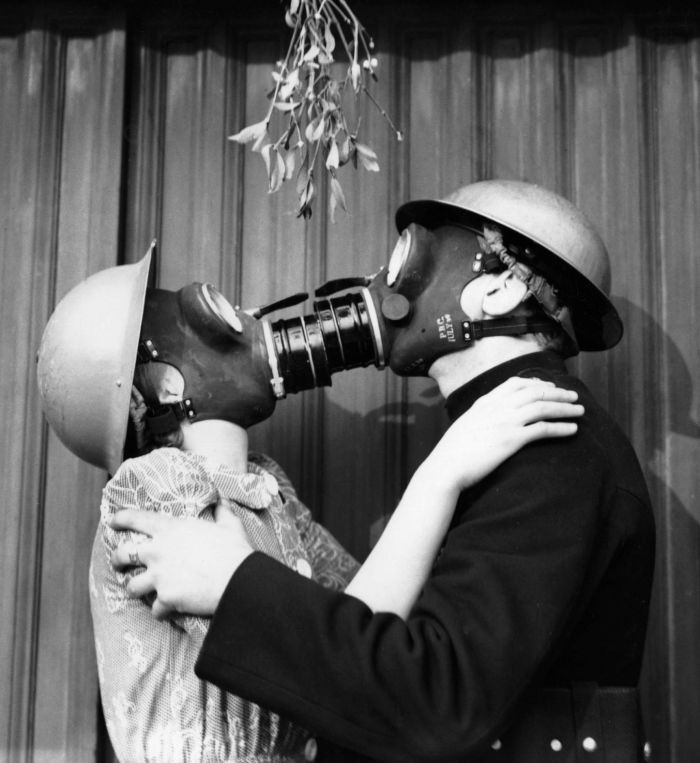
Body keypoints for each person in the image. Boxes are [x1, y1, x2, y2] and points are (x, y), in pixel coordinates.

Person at [110, 180, 656, 762]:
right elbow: (380, 635)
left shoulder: (552, 443)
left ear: (498, 291)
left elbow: (441, 700)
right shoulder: (502, 440)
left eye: (415, 258)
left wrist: (231, 582)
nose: (385, 281)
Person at [36, 240, 583, 763]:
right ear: (163, 388)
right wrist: (442, 474)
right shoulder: (151, 488)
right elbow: (312, 651)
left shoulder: (270, 492)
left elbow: (355, 638)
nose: (244, 317)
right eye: (197, 319)